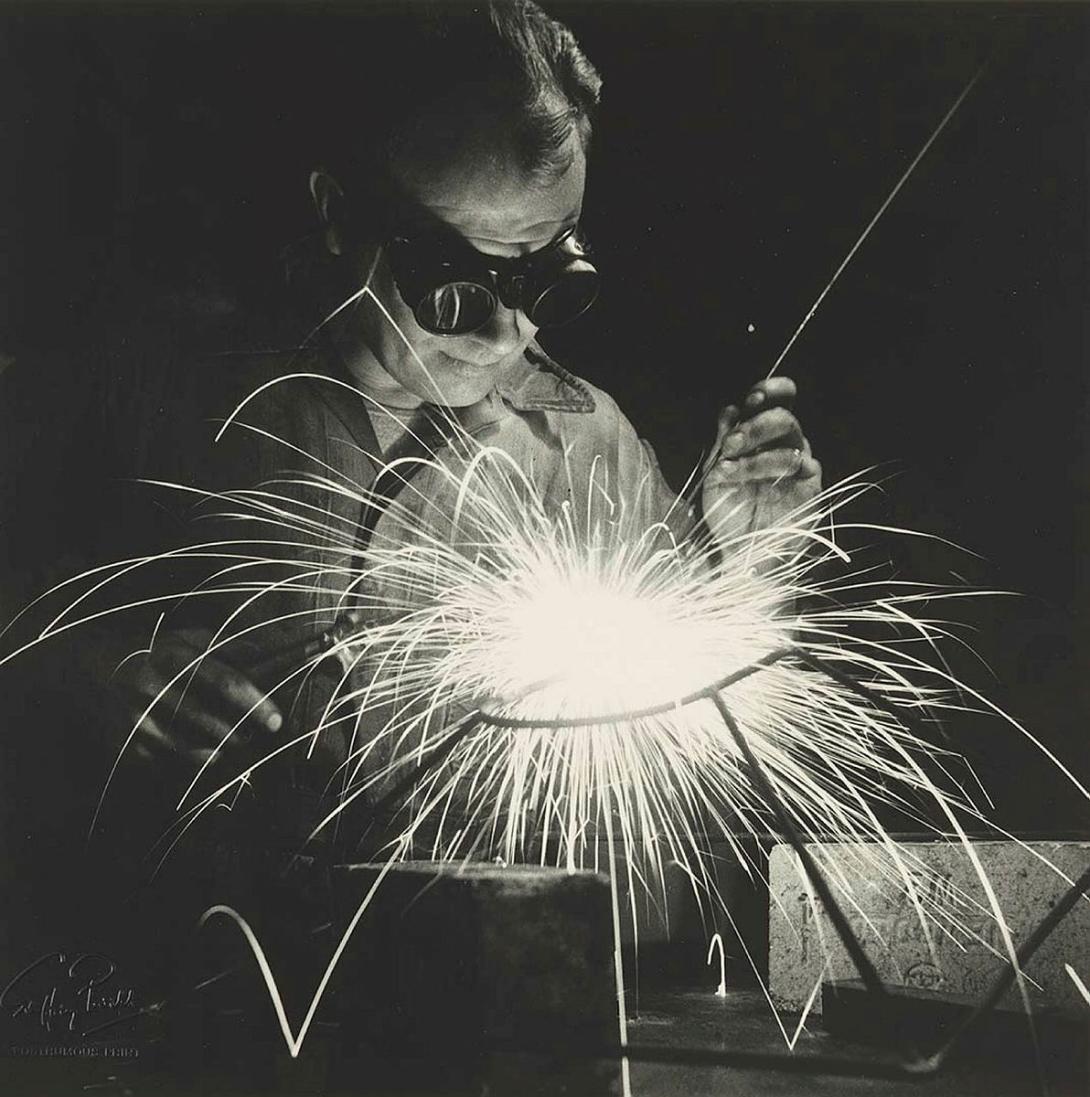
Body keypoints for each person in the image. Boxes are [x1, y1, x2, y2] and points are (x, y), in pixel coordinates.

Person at [1, 1, 820, 888]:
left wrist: (753, 564)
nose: (510, 332)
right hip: (182, 965)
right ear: (339, 215)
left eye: (547, 271)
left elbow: (719, 736)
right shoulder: (153, 382)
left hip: (471, 987)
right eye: (457, 285)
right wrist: (78, 668)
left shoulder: (587, 444)